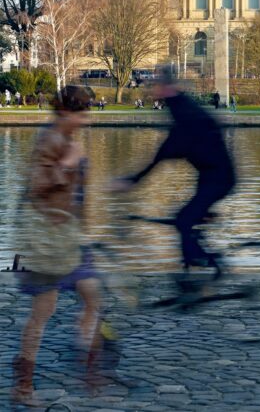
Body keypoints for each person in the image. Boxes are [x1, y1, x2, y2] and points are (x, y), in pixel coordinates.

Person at [12, 86, 101, 405]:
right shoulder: (50, 140)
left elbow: (77, 196)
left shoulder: (68, 140)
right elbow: (38, 187)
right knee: (43, 312)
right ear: (65, 113)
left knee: (92, 296)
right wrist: (67, 163)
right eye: (81, 114)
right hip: (48, 241)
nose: (85, 120)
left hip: (71, 237)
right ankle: (23, 386)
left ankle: (90, 369)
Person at [111, 67, 237, 271]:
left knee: (183, 220)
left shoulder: (184, 111)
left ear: (165, 87)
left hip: (219, 178)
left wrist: (133, 180)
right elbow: (170, 149)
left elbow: (165, 151)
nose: (152, 91)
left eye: (156, 86)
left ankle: (200, 264)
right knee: (186, 218)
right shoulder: (179, 106)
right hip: (208, 175)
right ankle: (195, 264)